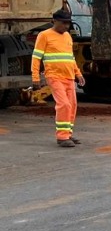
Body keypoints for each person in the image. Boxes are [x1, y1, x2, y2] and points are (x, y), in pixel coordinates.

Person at [31, 9, 85, 147]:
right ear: (54, 21)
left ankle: (68, 133)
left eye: (68, 23)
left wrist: (78, 74)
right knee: (64, 104)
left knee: (72, 105)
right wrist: (35, 77)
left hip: (69, 77)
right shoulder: (44, 35)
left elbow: (70, 58)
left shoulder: (67, 36)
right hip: (54, 76)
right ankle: (62, 137)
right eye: (63, 23)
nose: (66, 26)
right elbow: (36, 58)